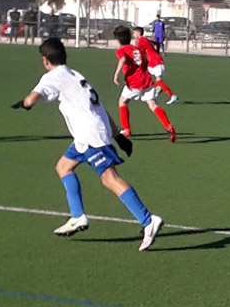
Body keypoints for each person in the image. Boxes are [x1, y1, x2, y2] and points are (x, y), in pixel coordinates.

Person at [10, 38, 163, 249]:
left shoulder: (52, 77)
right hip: (87, 136)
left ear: (45, 60)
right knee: (63, 167)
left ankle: (148, 220)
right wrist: (118, 136)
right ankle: (78, 217)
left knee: (109, 179)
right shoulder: (76, 76)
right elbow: (99, 109)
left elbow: (33, 98)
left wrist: (25, 103)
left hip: (91, 136)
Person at [113, 25, 177, 142]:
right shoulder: (136, 49)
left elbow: (122, 59)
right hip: (147, 81)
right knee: (153, 105)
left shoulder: (121, 50)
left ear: (118, 40)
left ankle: (126, 129)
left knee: (122, 102)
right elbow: (145, 61)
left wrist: (116, 74)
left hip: (134, 82)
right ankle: (168, 126)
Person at [133, 26, 178, 105]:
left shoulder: (141, 40)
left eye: (134, 33)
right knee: (148, 77)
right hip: (152, 62)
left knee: (158, 80)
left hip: (155, 62)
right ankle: (157, 88)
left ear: (138, 33)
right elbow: (156, 43)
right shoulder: (144, 39)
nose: (133, 35)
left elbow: (137, 52)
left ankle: (172, 96)